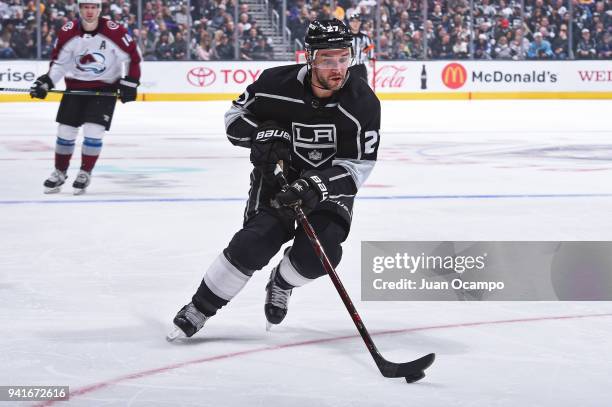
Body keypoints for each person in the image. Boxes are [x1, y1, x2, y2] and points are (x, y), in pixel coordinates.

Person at [168, 18, 381, 340]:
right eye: (327, 59)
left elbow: (357, 166)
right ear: (309, 58)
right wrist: (260, 136)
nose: (337, 68)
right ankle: (200, 307)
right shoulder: (273, 84)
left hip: (327, 191)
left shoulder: (362, 102)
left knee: (320, 256)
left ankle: (282, 281)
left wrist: (315, 185)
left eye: (343, 57)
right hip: (278, 180)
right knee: (252, 244)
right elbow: (234, 119)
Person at [30, 0, 141, 195]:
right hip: (75, 88)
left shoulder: (115, 30)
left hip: (104, 89)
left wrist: (130, 82)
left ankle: (85, 172)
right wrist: (47, 82)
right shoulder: (68, 30)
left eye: (93, 7)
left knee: (93, 131)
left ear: (99, 9)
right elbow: (59, 63)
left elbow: (132, 57)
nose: (89, 11)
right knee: (65, 132)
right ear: (79, 9)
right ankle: (60, 172)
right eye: (85, 7)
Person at [347, 13, 374, 83]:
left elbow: (370, 48)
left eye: (357, 21)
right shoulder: (346, 37)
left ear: (360, 23)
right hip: (348, 67)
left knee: (363, 89)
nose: (355, 23)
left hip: (360, 67)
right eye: (353, 21)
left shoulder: (365, 38)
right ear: (350, 23)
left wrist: (370, 58)